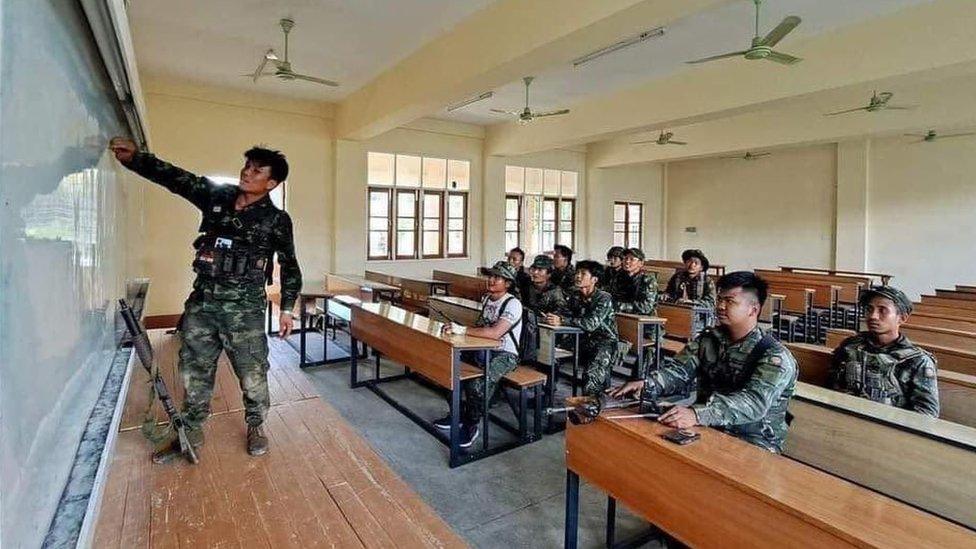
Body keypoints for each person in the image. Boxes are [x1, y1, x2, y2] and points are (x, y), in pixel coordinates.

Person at [109, 137, 302, 461]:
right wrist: (136, 159)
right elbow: (176, 178)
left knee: (252, 374)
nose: (247, 172)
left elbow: (290, 264)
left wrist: (287, 309)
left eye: (257, 171)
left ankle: (256, 425)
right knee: (194, 370)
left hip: (245, 311)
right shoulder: (218, 196)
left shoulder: (276, 220)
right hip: (203, 303)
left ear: (272, 183)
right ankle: (190, 432)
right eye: (246, 166)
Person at [610, 272, 797, 453]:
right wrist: (649, 384)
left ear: (753, 309)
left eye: (729, 301)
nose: (720, 306)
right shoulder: (708, 340)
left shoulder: (774, 356)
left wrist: (696, 414)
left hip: (754, 440)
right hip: (708, 428)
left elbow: (754, 403)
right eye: (720, 299)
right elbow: (679, 371)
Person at [434, 261, 522, 448]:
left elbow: (495, 333)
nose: (491, 280)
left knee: (477, 385)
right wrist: (460, 331)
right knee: (446, 368)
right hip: (483, 348)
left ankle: (471, 424)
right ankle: (457, 415)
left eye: (497, 277)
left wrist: (461, 330)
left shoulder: (512, 304)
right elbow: (481, 327)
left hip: (505, 354)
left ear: (508, 283)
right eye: (490, 276)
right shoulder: (487, 299)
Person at [830, 286, 939, 416]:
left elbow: (926, 415)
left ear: (902, 318)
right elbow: (831, 385)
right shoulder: (850, 346)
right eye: (869, 309)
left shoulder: (918, 361)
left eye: (882, 310)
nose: (873, 316)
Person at [545, 261, 621, 397]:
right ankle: (547, 396)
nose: (578, 276)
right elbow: (566, 312)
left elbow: (591, 324)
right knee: (549, 355)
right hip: (582, 338)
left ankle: (591, 407)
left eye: (583, 274)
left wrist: (562, 320)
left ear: (594, 280)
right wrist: (554, 316)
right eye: (577, 273)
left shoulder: (603, 297)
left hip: (604, 342)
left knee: (592, 375)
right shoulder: (575, 295)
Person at [612, 248, 657, 315]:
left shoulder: (648, 280)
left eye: (631, 259)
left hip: (644, 319)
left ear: (641, 263)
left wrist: (622, 306)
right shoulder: (618, 277)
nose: (627, 261)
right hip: (620, 315)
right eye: (625, 258)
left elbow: (646, 307)